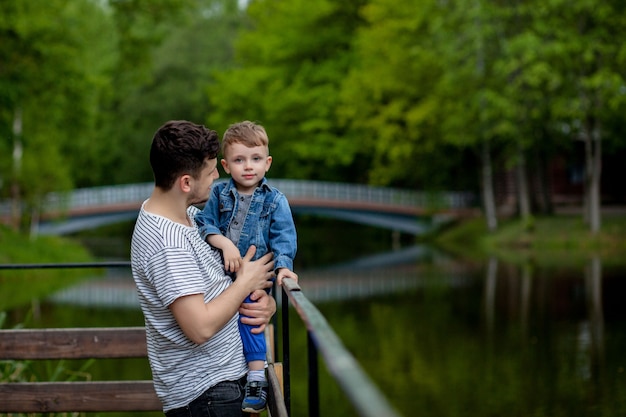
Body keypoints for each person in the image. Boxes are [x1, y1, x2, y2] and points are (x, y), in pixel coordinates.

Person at [130, 120, 277, 417]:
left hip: (223, 386)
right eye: (211, 171)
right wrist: (245, 284)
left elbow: (222, 286)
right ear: (186, 183)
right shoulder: (166, 244)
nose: (217, 177)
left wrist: (264, 303)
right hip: (208, 396)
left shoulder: (189, 216)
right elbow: (199, 327)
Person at [195, 120, 298, 413]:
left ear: (267, 163)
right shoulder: (218, 194)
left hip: (253, 278)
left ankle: (256, 376)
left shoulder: (275, 200)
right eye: (239, 160)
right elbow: (205, 223)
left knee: (250, 317)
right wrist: (225, 244)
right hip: (221, 275)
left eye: (255, 159)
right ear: (226, 166)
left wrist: (284, 268)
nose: (248, 167)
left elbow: (283, 238)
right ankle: (228, 371)